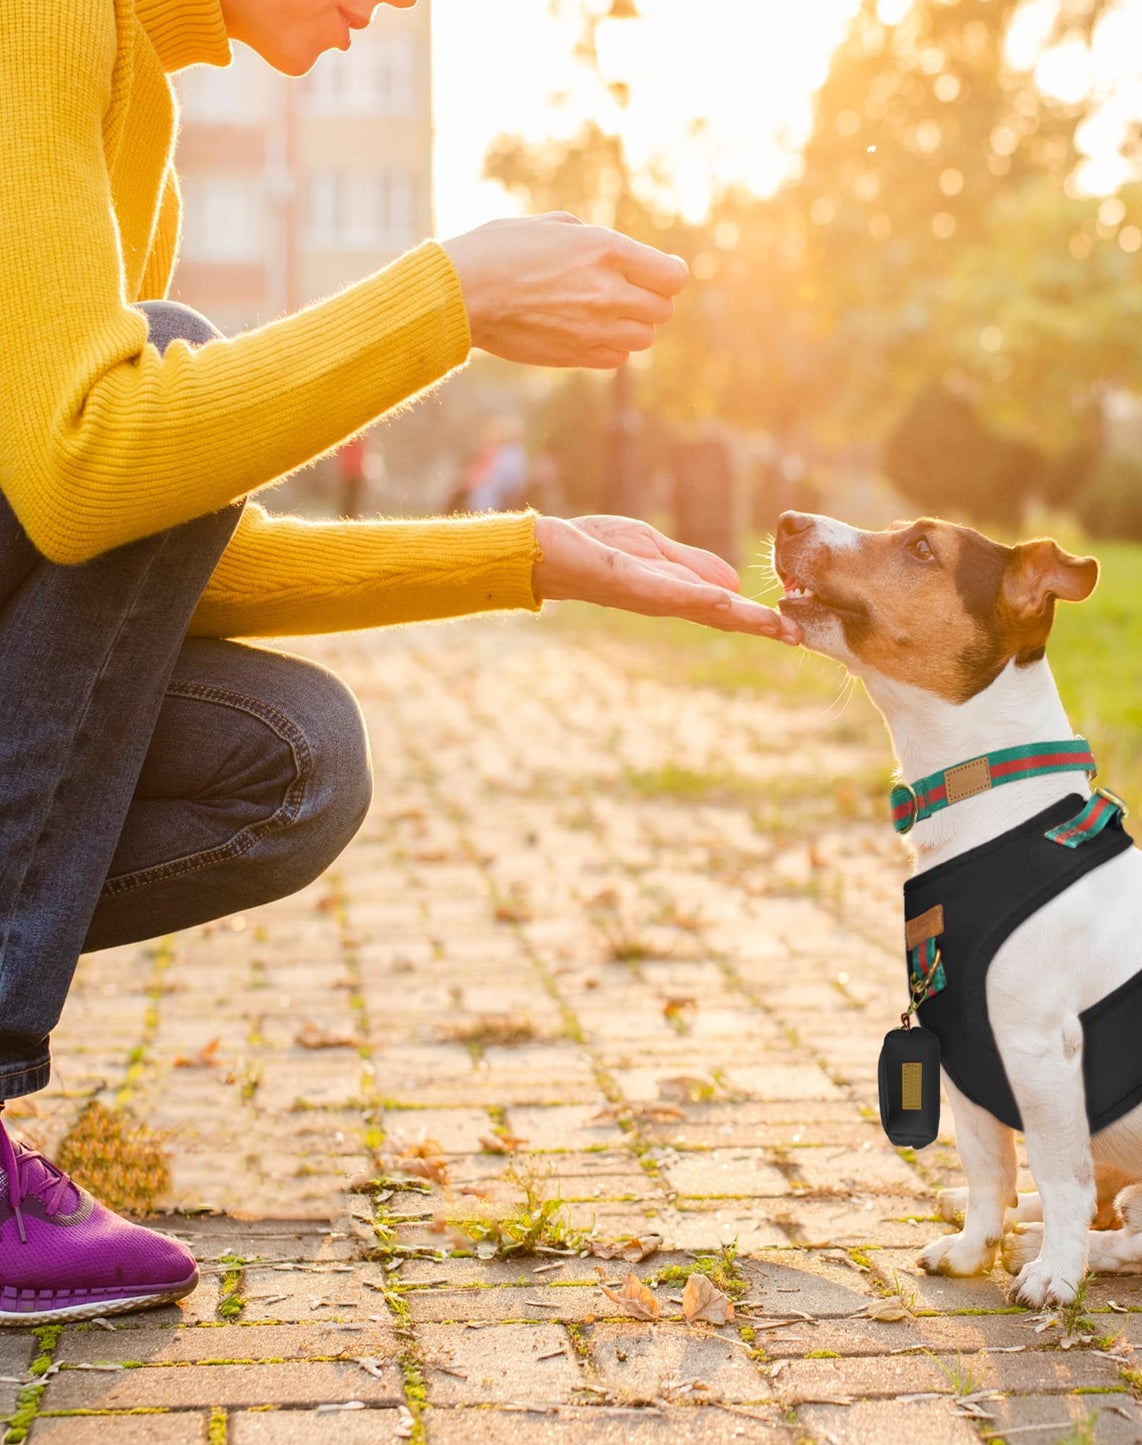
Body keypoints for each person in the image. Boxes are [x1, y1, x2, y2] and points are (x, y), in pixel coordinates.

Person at [0, 0, 800, 1325]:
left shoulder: (145, 108)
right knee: (181, 364)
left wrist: (535, 554)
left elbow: (145, 554)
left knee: (291, 756)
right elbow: (97, 469)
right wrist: (454, 295)